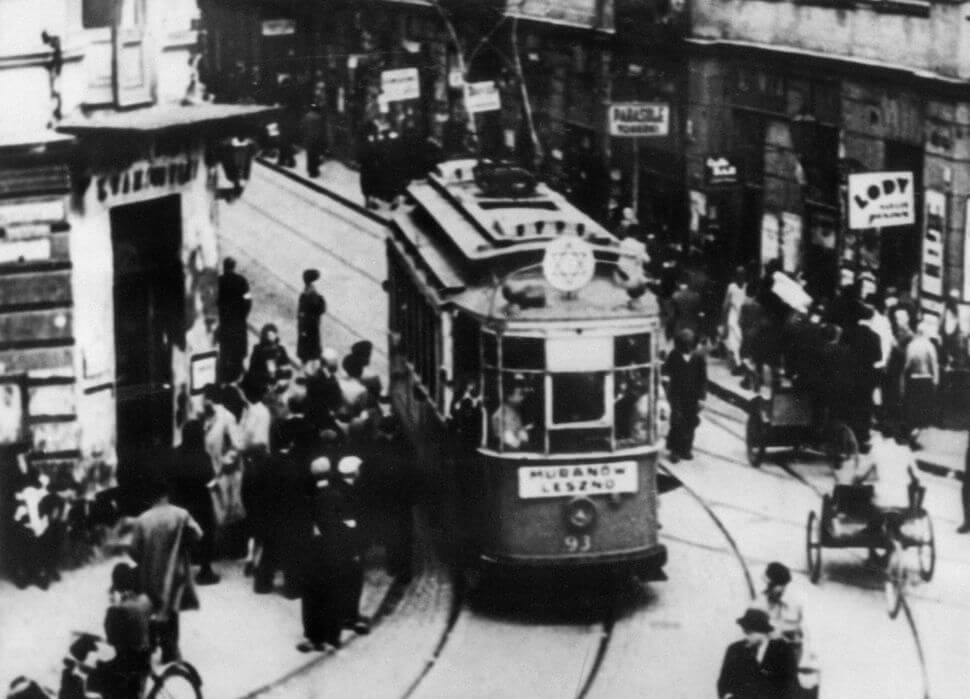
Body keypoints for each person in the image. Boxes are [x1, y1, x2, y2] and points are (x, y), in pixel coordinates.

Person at [128, 475, 202, 663]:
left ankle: (150, 645)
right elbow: (197, 534)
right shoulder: (181, 514)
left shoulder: (142, 520)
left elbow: (134, 550)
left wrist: (145, 559)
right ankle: (170, 650)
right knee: (171, 610)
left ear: (150, 497)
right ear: (167, 494)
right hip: (174, 571)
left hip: (149, 573)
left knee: (151, 609)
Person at [169, 420, 219, 585]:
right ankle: (205, 571)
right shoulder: (203, 456)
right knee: (207, 532)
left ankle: (178, 572)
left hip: (178, 503)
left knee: (179, 537)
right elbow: (210, 480)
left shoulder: (174, 454)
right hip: (200, 503)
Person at [717, 608, 798, 699]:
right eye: (744, 631)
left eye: (749, 632)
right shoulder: (734, 650)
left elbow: (791, 687)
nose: (745, 636)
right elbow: (723, 684)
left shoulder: (783, 651)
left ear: (763, 632)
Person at [101, 563, 153, 698]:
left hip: (133, 660)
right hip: (140, 656)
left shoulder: (120, 609)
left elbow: (112, 637)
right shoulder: (141, 600)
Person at [663, 329, 707, 462]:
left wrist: (702, 398)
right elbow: (666, 370)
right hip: (676, 394)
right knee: (677, 421)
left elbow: (703, 379)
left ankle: (686, 448)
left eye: (690, 345)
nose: (687, 348)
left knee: (690, 422)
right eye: (685, 345)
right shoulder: (674, 355)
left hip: (693, 396)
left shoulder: (698, 358)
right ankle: (675, 450)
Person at [902, 319, 939, 449]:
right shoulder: (929, 346)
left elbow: (906, 366)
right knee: (923, 411)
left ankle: (911, 435)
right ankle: (914, 437)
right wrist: (935, 382)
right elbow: (934, 365)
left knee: (913, 409)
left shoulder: (911, 345)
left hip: (913, 380)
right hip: (926, 380)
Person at [216, 258, 252, 383]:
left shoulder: (219, 281)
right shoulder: (242, 281)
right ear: (234, 267)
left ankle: (225, 378)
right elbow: (248, 301)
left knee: (225, 351)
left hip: (225, 323)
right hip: (239, 323)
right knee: (239, 350)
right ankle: (238, 375)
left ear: (224, 267)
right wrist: (243, 316)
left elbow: (214, 302)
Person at [246, 323, 292, 392]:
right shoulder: (258, 349)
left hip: (278, 384)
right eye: (268, 335)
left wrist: (280, 377)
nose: (271, 337)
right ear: (264, 335)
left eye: (273, 334)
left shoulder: (281, 349)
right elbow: (252, 370)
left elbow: (287, 369)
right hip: (262, 384)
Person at [490, 379, 532, 450]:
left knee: (524, 435)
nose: (522, 398)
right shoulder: (504, 408)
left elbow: (518, 423)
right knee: (509, 437)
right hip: (505, 432)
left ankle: (522, 447)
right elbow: (495, 418)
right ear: (509, 396)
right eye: (520, 395)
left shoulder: (517, 409)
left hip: (515, 431)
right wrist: (499, 431)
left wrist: (523, 428)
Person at [297, 269, 327, 369]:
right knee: (312, 350)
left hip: (306, 327)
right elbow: (321, 309)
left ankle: (306, 365)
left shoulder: (305, 293)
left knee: (307, 350)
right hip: (310, 326)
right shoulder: (312, 295)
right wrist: (321, 299)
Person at [722, 266, 747, 373]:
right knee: (735, 341)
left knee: (738, 341)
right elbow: (726, 304)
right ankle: (738, 363)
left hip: (741, 317)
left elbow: (725, 304)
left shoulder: (743, 286)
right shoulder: (733, 287)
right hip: (735, 317)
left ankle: (740, 363)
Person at [301, 102, 327, 178]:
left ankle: (310, 170)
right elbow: (322, 130)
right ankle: (315, 171)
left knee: (309, 155)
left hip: (309, 139)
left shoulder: (307, 116)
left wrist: (304, 136)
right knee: (315, 155)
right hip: (317, 139)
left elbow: (303, 127)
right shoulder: (319, 117)